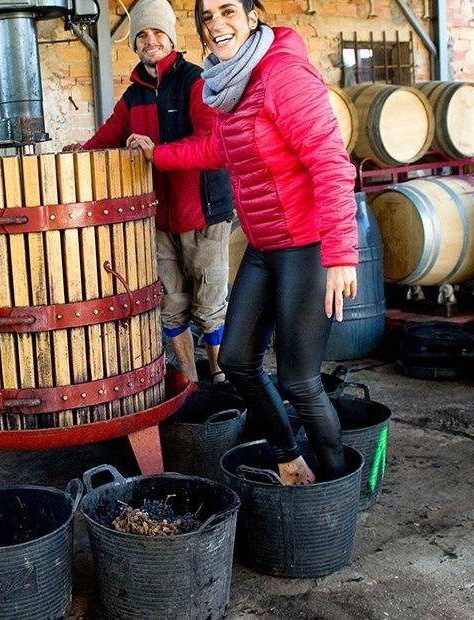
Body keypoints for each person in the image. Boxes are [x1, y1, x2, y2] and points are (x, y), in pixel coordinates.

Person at [128, 0, 358, 485]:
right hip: (264, 243)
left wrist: (340, 255)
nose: (216, 25)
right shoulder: (230, 83)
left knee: (300, 381)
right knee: (235, 360)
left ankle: (338, 490)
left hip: (307, 245)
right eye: (207, 18)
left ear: (253, 17)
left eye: (227, 11)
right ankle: (289, 457)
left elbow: (332, 163)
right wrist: (158, 157)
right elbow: (219, 147)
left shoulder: (282, 74)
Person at [64, 0, 234, 383]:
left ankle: (222, 379)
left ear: (170, 38)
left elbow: (210, 143)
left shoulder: (196, 81)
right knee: (171, 303)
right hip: (158, 216)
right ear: (135, 45)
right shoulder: (134, 95)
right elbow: (107, 136)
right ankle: (189, 379)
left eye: (157, 32)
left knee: (209, 306)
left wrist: (154, 154)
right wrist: (78, 154)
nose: (149, 40)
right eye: (141, 35)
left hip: (203, 211)